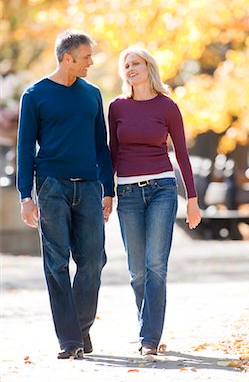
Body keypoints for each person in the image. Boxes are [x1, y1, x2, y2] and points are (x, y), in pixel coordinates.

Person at [17, 30, 114, 359]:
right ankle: (70, 341)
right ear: (67, 58)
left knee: (94, 261)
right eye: (86, 56)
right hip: (51, 186)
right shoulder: (35, 95)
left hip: (88, 186)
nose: (91, 62)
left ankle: (79, 328)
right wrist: (25, 195)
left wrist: (108, 189)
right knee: (56, 263)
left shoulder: (93, 95)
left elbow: (101, 145)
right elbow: (25, 147)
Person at [108, 45, 201, 358]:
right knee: (137, 271)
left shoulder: (167, 106)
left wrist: (192, 198)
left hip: (162, 188)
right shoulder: (117, 107)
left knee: (156, 265)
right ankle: (149, 329)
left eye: (136, 63)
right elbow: (112, 153)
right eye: (126, 66)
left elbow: (182, 155)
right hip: (129, 193)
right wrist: (108, 193)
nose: (131, 69)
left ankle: (149, 338)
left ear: (149, 67)